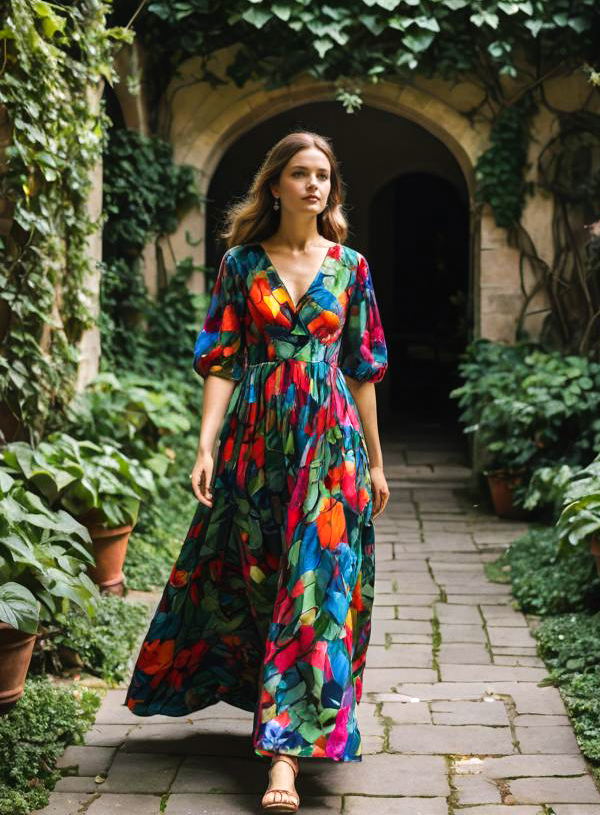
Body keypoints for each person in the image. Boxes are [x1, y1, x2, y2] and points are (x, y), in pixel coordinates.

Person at [123, 129, 391, 813]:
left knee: (318, 590)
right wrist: (206, 444)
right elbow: (219, 360)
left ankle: (286, 759)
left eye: (323, 175)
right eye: (300, 173)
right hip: (256, 442)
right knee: (264, 583)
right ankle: (268, 710)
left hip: (330, 447)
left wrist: (378, 460)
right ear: (275, 185)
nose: (313, 185)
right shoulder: (241, 265)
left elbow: (362, 371)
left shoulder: (351, 267)